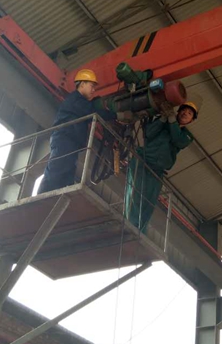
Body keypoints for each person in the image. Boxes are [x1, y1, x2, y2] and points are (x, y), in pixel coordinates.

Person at [39, 69, 129, 193]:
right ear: (82, 84)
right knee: (57, 170)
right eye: (92, 86)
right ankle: (41, 197)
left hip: (71, 143)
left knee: (67, 175)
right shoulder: (76, 100)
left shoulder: (80, 102)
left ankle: (60, 196)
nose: (93, 90)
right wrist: (118, 115)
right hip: (64, 140)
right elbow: (92, 111)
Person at [124, 101, 197, 231]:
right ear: (178, 111)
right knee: (135, 194)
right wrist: (163, 117)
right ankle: (129, 225)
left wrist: (171, 120)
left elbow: (177, 140)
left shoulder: (187, 136)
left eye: (190, 113)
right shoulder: (162, 122)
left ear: (192, 120)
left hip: (157, 171)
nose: (185, 113)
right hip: (142, 162)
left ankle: (139, 230)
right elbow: (149, 133)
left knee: (149, 201)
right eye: (184, 110)